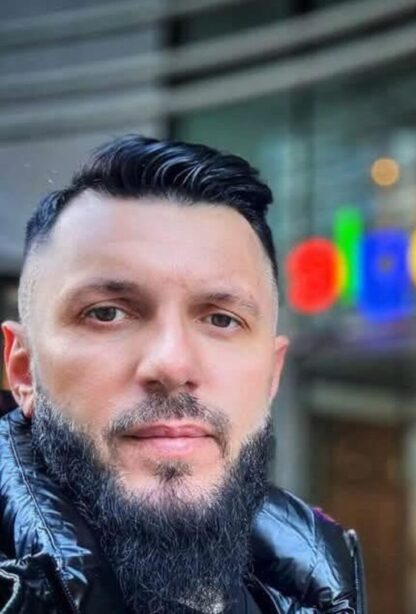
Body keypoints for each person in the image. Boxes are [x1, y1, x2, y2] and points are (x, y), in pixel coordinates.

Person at [0, 136, 366, 614]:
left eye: (221, 319)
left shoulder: (314, 595)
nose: (172, 365)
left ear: (271, 375)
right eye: (107, 313)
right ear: (23, 370)